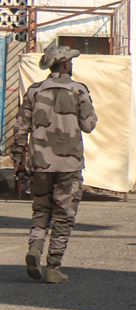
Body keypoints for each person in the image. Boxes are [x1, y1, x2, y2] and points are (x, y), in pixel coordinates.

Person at [12, 44, 98, 284]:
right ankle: (53, 267)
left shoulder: (34, 91)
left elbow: (20, 128)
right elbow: (89, 125)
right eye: (70, 61)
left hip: (39, 163)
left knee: (41, 210)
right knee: (63, 216)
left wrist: (18, 159)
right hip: (68, 165)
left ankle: (35, 249)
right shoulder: (79, 91)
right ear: (65, 64)